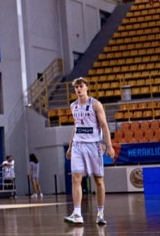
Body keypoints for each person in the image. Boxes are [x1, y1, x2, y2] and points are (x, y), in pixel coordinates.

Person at [64, 77, 115, 226]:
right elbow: (76, 126)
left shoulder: (96, 104)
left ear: (86, 88)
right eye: (76, 87)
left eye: (81, 86)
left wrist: (109, 145)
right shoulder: (73, 106)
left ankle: (100, 213)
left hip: (93, 145)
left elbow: (104, 125)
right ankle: (77, 213)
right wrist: (70, 146)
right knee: (76, 178)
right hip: (78, 145)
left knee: (98, 180)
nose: (78, 89)